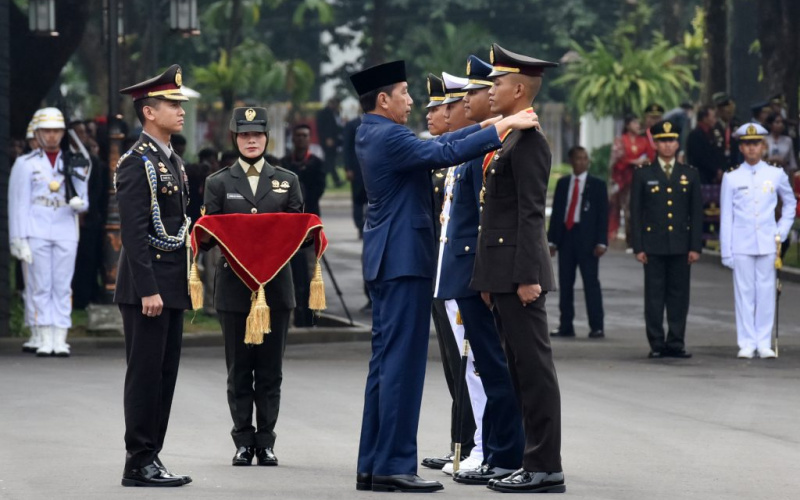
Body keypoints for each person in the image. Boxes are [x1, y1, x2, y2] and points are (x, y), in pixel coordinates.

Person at [349, 59, 539, 493]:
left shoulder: (371, 131)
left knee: (384, 366)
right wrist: (505, 125)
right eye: (404, 93)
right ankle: (394, 465)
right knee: (402, 367)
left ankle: (373, 463)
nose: (411, 101)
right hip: (403, 262)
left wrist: (490, 124)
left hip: (387, 261)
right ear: (384, 99)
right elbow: (442, 153)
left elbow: (441, 142)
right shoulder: (389, 136)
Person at [470, 43, 565, 494]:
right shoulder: (508, 137)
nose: (491, 90)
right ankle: (531, 461)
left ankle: (546, 466)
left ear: (520, 90)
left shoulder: (529, 142)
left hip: (519, 274)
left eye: (499, 83)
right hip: (503, 273)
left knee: (534, 371)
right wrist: (489, 278)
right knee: (518, 370)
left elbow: (530, 214)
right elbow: (495, 215)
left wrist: (528, 276)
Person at [437, 55, 525, 485]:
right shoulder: (472, 147)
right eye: (469, 93)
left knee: (491, 366)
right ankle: (491, 450)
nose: (471, 99)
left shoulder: (485, 150)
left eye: (473, 93)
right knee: (485, 369)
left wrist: (484, 276)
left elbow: (483, 220)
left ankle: (503, 453)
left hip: (476, 274)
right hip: (462, 274)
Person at [203, 107, 303, 466]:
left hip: (276, 288)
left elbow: (298, 235)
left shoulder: (287, 180)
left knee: (271, 371)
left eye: (257, 135)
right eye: (244, 135)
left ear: (266, 138)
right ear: (235, 138)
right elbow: (209, 235)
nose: (251, 141)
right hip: (235, 288)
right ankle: (243, 441)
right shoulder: (218, 182)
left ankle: (267, 441)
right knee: (240, 370)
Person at [115, 64, 192, 487]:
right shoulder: (136, 162)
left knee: (165, 374)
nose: (181, 111)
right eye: (172, 104)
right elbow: (133, 233)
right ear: (148, 111)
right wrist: (148, 289)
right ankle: (138, 460)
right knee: (145, 374)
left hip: (171, 283)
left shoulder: (171, 160)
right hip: (147, 288)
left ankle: (152, 456)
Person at [420, 72, 477, 473]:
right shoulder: (439, 159)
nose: (430, 115)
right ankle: (460, 443)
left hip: (459, 274)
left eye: (439, 108)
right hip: (439, 273)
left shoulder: (460, 159)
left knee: (466, 364)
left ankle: (469, 445)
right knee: (452, 365)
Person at [8, 107, 90, 356]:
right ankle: (44, 336)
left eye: (56, 131)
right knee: (40, 285)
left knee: (63, 286)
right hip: (37, 228)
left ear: (63, 133)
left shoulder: (73, 161)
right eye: (46, 131)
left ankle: (60, 337)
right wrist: (18, 238)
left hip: (65, 227)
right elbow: (18, 203)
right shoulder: (25, 164)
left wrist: (79, 204)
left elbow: (83, 199)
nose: (52, 136)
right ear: (38, 133)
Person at [720, 123, 796, 359]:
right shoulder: (732, 177)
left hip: (767, 241)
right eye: (747, 144)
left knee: (766, 292)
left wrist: (781, 231)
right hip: (741, 242)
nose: (752, 148)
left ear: (763, 146)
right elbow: (726, 216)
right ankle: (746, 342)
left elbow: (790, 203)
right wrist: (726, 250)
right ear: (741, 148)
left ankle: (763, 342)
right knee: (744, 293)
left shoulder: (775, 174)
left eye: (755, 144)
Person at [630, 120, 702, 359]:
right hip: (654, 245)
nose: (668, 145)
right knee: (654, 297)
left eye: (671, 141)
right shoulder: (643, 174)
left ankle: (676, 342)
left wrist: (695, 246)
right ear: (656, 144)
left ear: (677, 143)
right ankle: (657, 343)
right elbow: (636, 213)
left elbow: (696, 213)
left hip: (681, 245)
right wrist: (638, 246)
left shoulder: (690, 174)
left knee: (679, 297)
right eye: (663, 141)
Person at [548, 145, 608, 339]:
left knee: (591, 283)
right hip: (566, 238)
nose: (582, 162)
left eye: (585, 158)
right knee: (565, 283)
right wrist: (551, 241)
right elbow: (557, 213)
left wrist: (602, 241)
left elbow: (603, 215)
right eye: (578, 158)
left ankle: (596, 326)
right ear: (571, 161)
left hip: (588, 241)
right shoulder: (563, 183)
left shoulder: (597, 185)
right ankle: (566, 325)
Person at [281, 123, 325, 327]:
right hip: (288, 226)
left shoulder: (316, 163)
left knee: (310, 270)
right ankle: (293, 314)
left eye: (305, 135)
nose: (301, 139)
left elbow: (318, 191)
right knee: (289, 270)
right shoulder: (284, 164)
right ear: (292, 138)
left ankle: (309, 315)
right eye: (298, 135)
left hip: (309, 224)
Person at [609, 115, 652, 246]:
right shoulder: (621, 140)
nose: (638, 125)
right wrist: (633, 162)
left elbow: (651, 157)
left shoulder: (644, 140)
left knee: (641, 208)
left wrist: (645, 161)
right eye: (635, 123)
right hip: (625, 180)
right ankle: (630, 238)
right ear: (628, 125)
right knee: (627, 209)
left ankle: (640, 238)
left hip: (641, 179)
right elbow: (616, 160)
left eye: (638, 123)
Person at [686, 105, 727, 185]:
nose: (715, 120)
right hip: (701, 177)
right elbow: (700, 157)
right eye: (713, 117)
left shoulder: (714, 133)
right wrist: (715, 170)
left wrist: (720, 169)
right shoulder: (695, 135)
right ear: (705, 118)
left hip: (715, 178)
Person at [343, 115, 366, 238]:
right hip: (356, 168)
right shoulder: (352, 125)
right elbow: (347, 148)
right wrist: (348, 168)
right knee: (357, 199)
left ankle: (368, 224)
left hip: (371, 167)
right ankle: (360, 225)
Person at [316, 97, 343, 187]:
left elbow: (335, 127)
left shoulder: (334, 113)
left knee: (329, 162)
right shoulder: (324, 113)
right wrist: (327, 138)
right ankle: (336, 180)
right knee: (329, 161)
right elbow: (323, 128)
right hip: (328, 140)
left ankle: (324, 180)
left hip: (333, 140)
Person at [713, 92, 741, 169]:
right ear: (720, 111)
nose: (730, 115)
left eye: (731, 112)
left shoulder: (735, 125)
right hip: (718, 167)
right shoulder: (714, 127)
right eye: (728, 112)